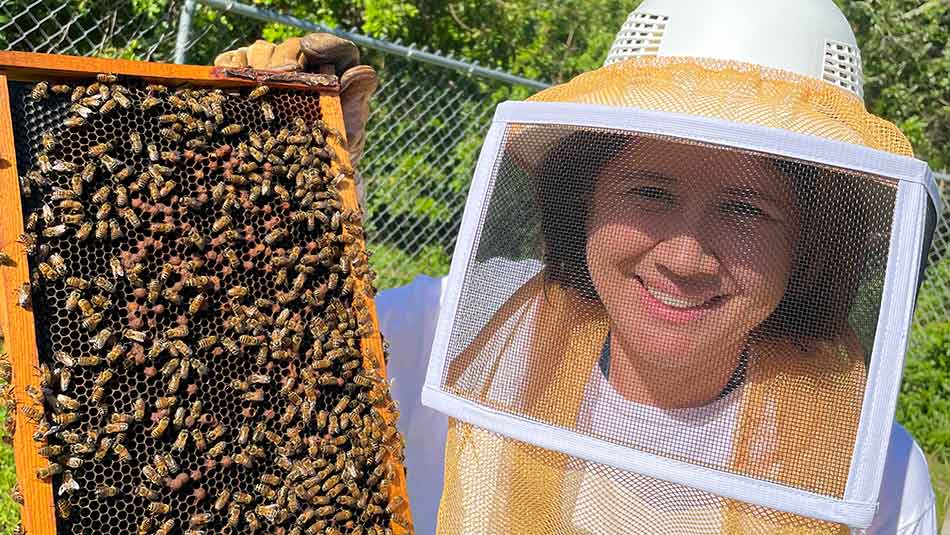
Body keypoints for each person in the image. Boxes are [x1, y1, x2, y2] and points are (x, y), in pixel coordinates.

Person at [215, 1, 940, 533]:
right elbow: (256, 355)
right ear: (585, 196)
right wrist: (282, 186)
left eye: (747, 209)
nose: (685, 257)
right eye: (649, 191)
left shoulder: (874, 472)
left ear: (810, 243)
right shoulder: (471, 326)